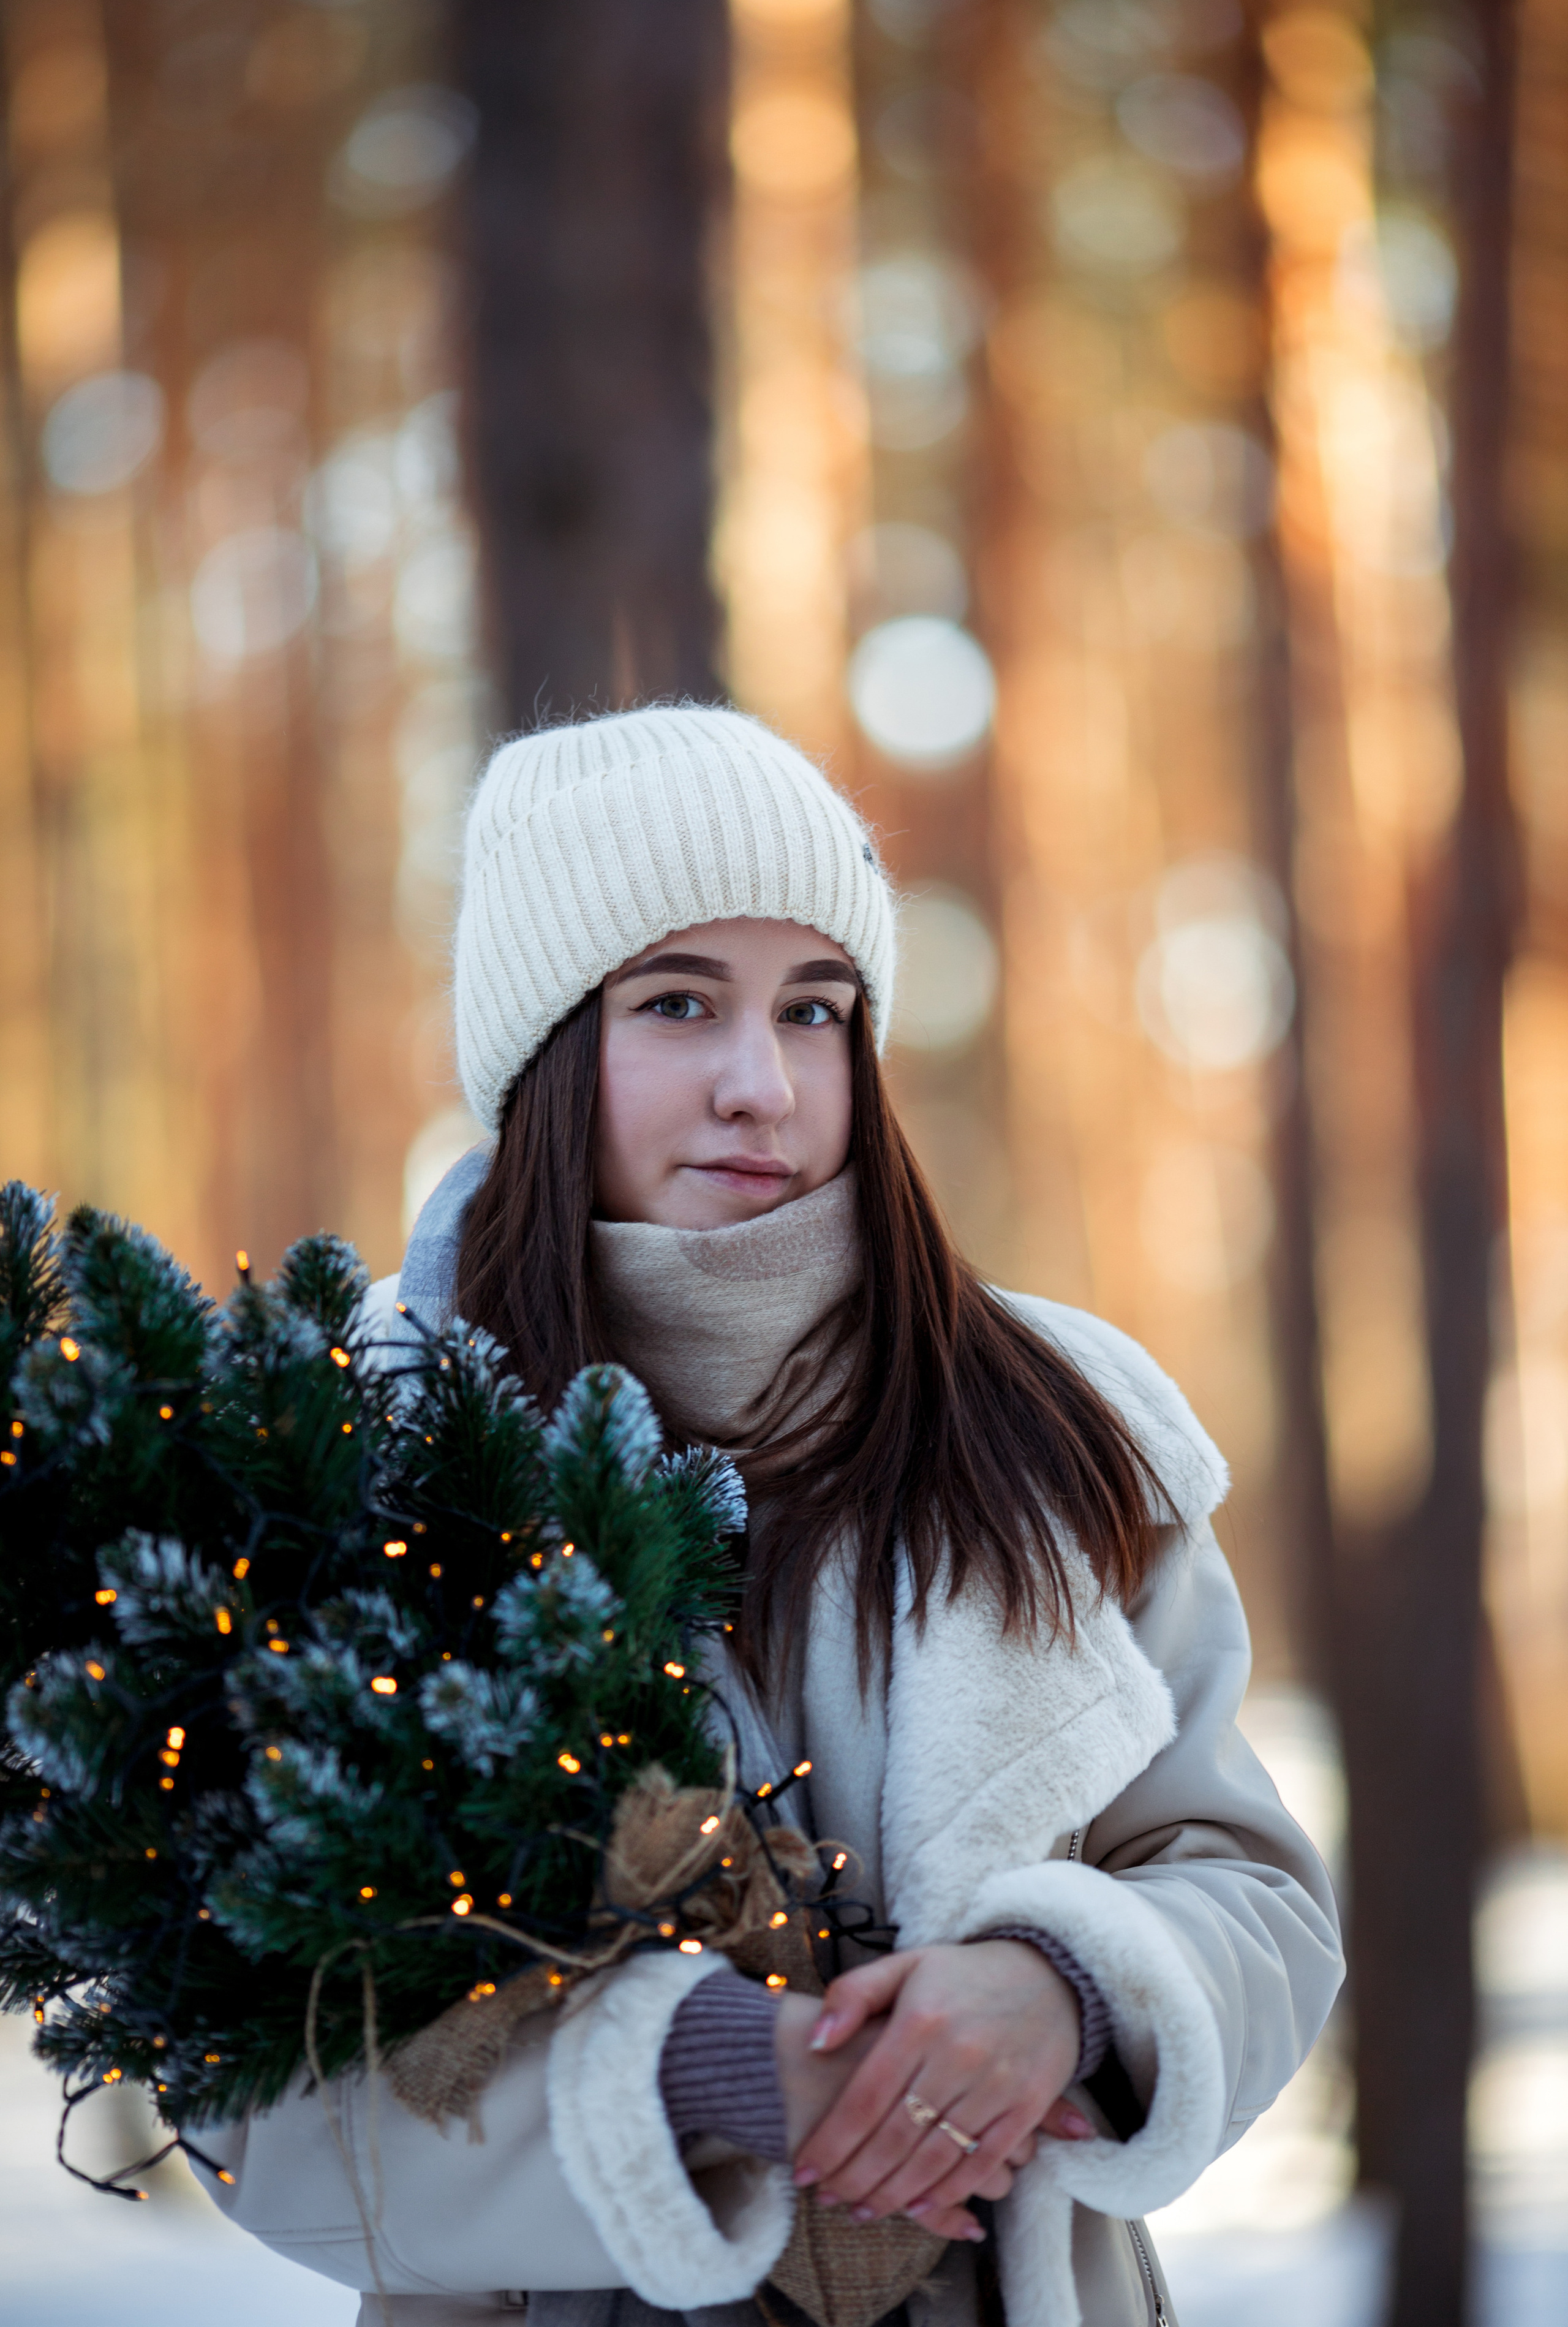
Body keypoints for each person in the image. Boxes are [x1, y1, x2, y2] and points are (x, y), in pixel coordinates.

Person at [200, 705, 1344, 2327]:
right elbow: (243, 2064)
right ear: (544, 1050)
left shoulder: (1054, 1426)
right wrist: (693, 2074)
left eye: (817, 1011)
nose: (765, 1084)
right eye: (679, 1003)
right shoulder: (347, 1449)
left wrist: (1066, 1985)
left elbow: (1250, 1887)